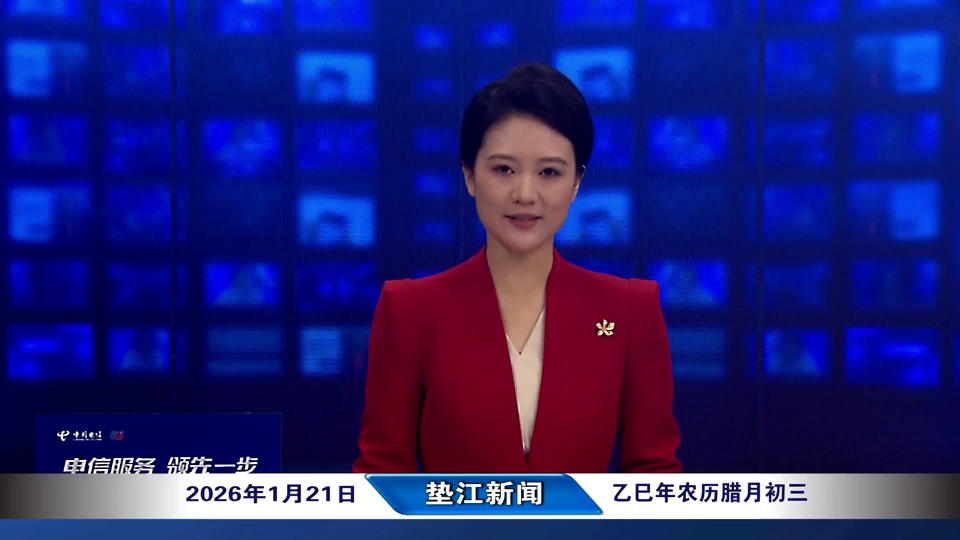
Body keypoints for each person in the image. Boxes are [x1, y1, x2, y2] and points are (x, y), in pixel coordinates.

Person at [353, 63, 681, 473]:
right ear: (469, 175)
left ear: (577, 182)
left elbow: (653, 475)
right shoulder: (410, 311)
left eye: (549, 172)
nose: (525, 194)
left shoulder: (630, 310)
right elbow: (382, 476)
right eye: (504, 169)